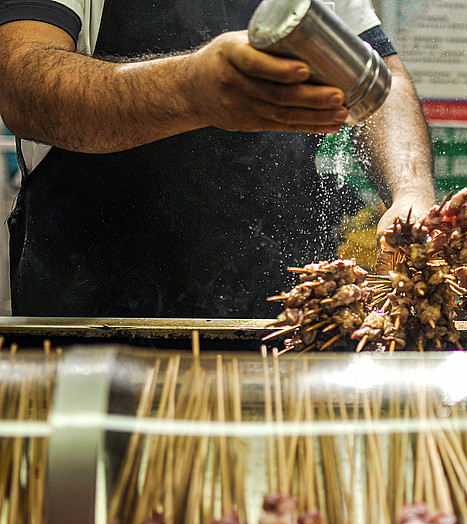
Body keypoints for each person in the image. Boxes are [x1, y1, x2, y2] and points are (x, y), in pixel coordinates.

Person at [0, 0, 436, 317]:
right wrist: (187, 90)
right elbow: (21, 81)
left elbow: (383, 78)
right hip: (94, 322)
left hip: (286, 322)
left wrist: (411, 191)